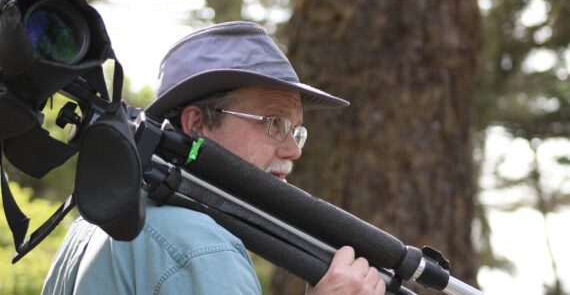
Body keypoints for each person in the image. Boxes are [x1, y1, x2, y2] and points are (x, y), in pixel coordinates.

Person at [42, 21, 386, 295]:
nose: (292, 149)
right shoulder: (201, 245)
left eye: (295, 130)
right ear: (196, 125)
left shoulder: (94, 225)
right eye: (273, 123)